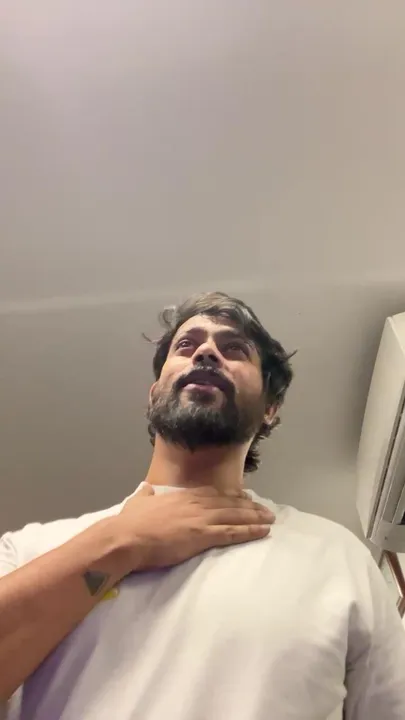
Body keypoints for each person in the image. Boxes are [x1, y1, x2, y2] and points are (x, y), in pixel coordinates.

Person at [0, 291, 404, 720]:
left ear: (270, 408)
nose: (207, 352)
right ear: (153, 394)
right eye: (186, 345)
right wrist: (121, 540)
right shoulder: (28, 551)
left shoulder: (337, 557)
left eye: (235, 349)